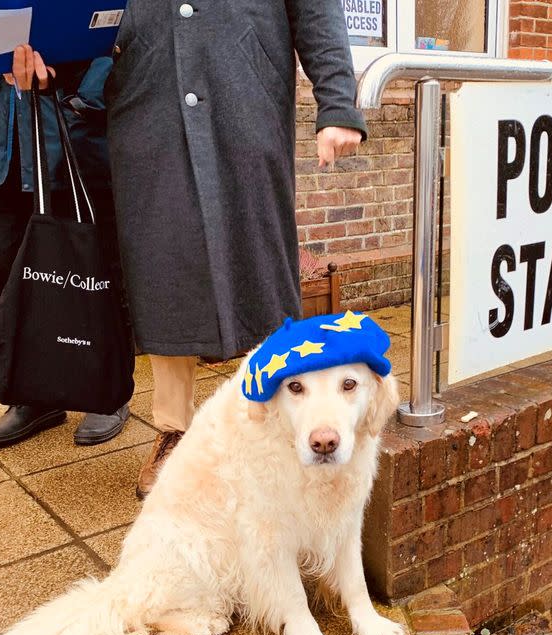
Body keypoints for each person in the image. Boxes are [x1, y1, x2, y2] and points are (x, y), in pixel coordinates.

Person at [105, 1, 367, 498]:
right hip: (148, 98)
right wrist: (60, 68)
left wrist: (336, 100)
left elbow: (316, 8)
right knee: (164, 266)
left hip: (245, 96)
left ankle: (276, 414)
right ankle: (174, 431)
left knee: (261, 263)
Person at [0, 46, 130, 448]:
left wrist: (83, 98)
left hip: (70, 135)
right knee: (6, 276)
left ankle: (105, 391)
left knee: (95, 273)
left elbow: (118, 32)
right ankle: (32, 396)